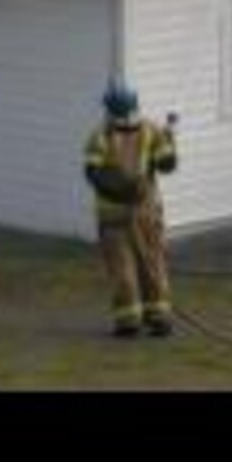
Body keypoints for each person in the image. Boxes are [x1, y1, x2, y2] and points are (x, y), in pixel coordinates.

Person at [82, 77, 178, 338]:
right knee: (152, 262)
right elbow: (166, 166)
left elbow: (93, 174)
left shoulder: (100, 135)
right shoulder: (151, 130)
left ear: (109, 109)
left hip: (114, 217)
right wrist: (170, 143)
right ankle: (159, 317)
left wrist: (169, 143)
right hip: (146, 212)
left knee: (122, 267)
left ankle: (129, 321)